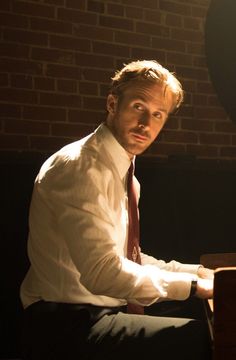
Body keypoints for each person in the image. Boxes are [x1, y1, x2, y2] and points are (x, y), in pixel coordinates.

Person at [20, 59, 214, 360]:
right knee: (206, 340)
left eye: (158, 114)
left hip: (95, 309)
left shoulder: (123, 172)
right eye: (138, 106)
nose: (146, 123)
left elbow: (127, 257)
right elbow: (102, 272)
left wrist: (204, 274)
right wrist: (195, 286)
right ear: (112, 103)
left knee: (206, 319)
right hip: (63, 322)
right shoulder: (82, 168)